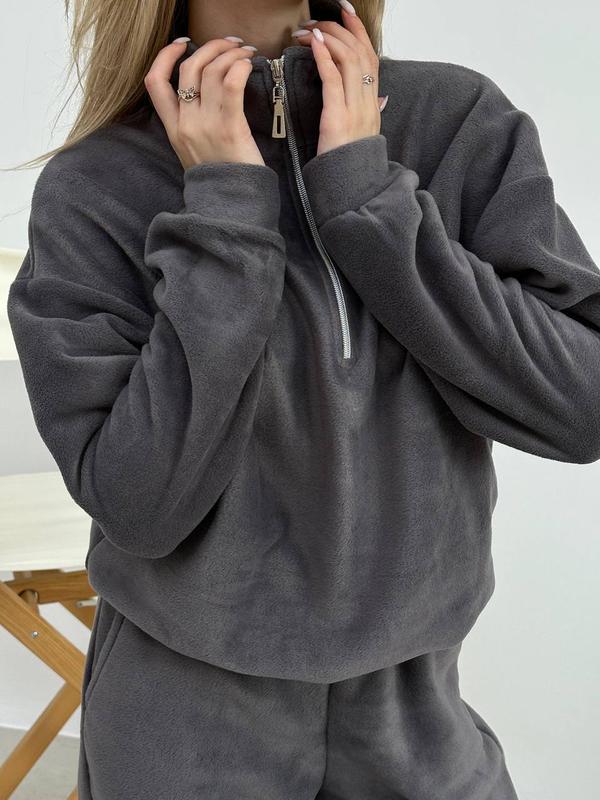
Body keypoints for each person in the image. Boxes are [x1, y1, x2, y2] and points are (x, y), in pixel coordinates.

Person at [6, 0, 600, 797]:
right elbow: (137, 505)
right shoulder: (98, 183)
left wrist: (368, 198)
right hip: (182, 723)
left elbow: (581, 407)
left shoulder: (453, 123)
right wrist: (225, 205)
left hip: (419, 714)